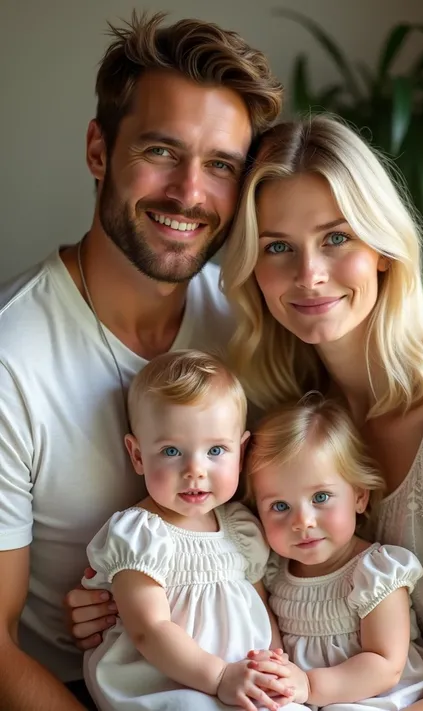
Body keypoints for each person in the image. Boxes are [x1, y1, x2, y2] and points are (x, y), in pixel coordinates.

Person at [0, 9, 282, 711]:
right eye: (161, 151)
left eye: (220, 165)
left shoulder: (255, 319)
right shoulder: (12, 357)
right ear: (99, 149)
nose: (190, 193)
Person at [219, 114, 423, 708]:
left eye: (337, 238)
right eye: (277, 247)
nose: (309, 275)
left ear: (382, 249)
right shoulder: (289, 419)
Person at [81, 349, 304, 711]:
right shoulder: (141, 534)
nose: (195, 470)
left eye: (216, 449)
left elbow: (260, 608)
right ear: (137, 455)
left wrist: (275, 667)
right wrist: (218, 678)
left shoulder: (241, 529)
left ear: (242, 452)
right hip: (166, 681)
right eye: (171, 451)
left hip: (240, 680)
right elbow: (148, 629)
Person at [245, 396, 423, 709]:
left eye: (320, 497)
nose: (302, 522)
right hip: (301, 698)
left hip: (371, 697)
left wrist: (308, 684)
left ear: (359, 496)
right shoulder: (275, 572)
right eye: (280, 506)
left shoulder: (375, 572)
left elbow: (385, 665)